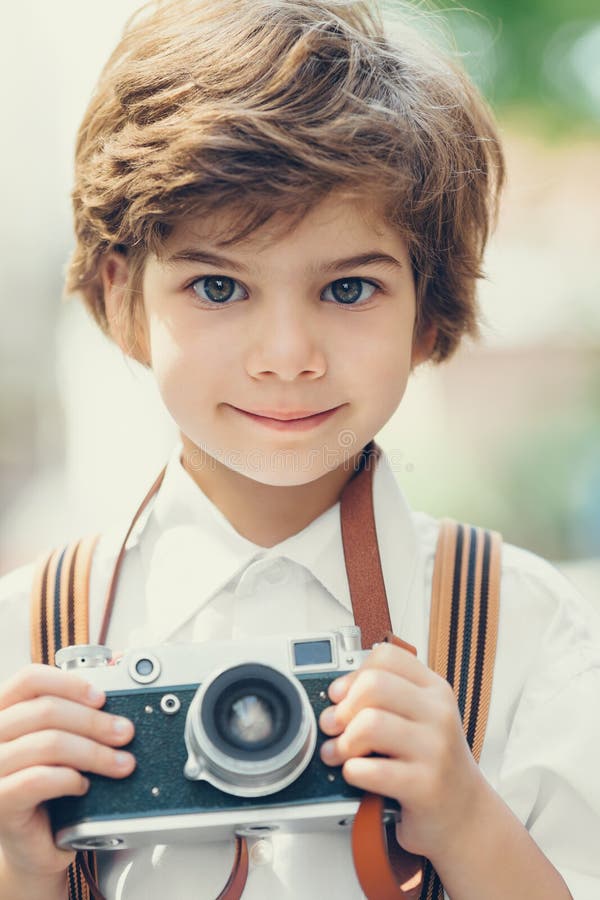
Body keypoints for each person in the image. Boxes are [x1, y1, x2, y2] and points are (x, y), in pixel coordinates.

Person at [0, 0, 598, 898]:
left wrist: (469, 822)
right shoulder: (28, 645)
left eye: (349, 288)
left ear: (428, 315)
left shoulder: (523, 630)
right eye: (217, 284)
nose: (287, 356)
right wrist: (19, 865)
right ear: (123, 300)